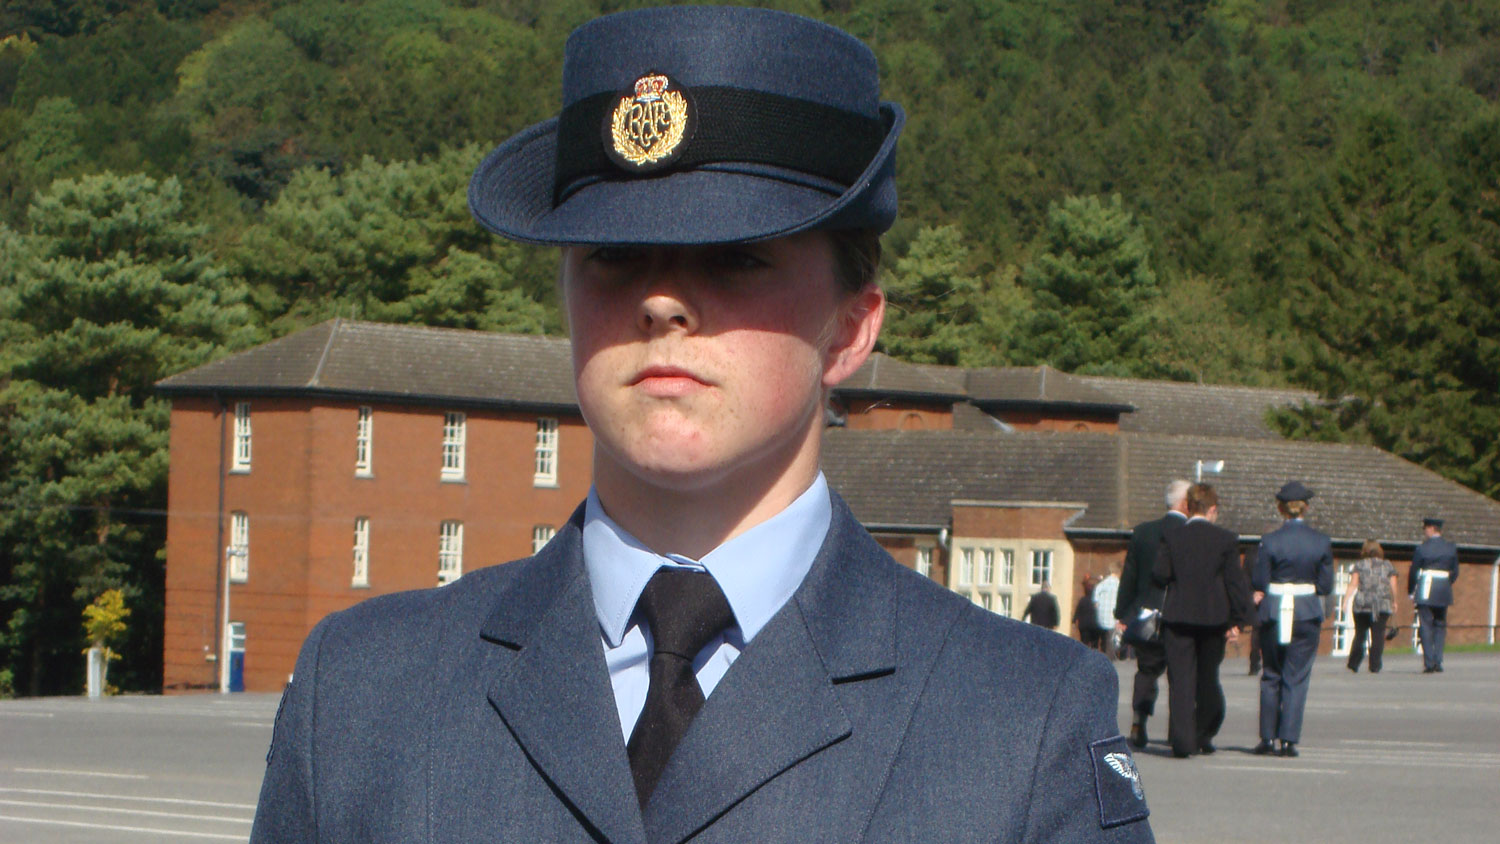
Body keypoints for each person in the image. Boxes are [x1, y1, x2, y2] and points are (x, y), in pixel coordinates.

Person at [248, 8, 1154, 842]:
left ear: (850, 327)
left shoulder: (1018, 718)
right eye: (613, 256)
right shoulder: (368, 696)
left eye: (737, 258)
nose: (663, 300)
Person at [1150, 484, 1254, 758]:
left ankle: (1182, 742)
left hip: (1179, 616)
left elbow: (1159, 574)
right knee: (1208, 678)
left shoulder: (1172, 536)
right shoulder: (1226, 539)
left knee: (1181, 681)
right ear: (1212, 509)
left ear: (1188, 507)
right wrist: (1238, 619)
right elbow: (1235, 582)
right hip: (1212, 618)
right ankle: (1203, 732)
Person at [1249, 480, 1334, 758]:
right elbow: (1326, 584)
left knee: (1271, 674)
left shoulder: (1270, 540)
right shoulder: (1320, 541)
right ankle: (1288, 740)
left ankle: (1267, 738)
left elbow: (1260, 579)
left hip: (1274, 609)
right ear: (1305, 507)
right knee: (1296, 677)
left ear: (1281, 508)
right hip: (1306, 611)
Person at [1115, 478, 1190, 748]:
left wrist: (1122, 613)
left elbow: (1130, 577)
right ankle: (1177, 731)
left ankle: (1138, 720)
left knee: (1146, 671)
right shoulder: (1191, 533)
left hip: (1146, 613)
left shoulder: (1143, 532)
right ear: (1185, 504)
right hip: (1181, 614)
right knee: (1180, 675)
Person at [1409, 516, 1459, 674]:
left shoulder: (1422, 548)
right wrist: (1446, 583)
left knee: (1425, 624)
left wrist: (1411, 590)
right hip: (1443, 588)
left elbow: (1413, 571)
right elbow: (1455, 571)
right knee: (1440, 625)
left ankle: (1429, 662)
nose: (1425, 532)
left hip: (1426, 586)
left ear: (1430, 528)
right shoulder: (1451, 548)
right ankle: (1438, 660)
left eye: (1425, 529)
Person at [1341, 539, 1398, 673]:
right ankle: (1375, 665)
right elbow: (1393, 585)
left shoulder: (1360, 565)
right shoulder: (1388, 565)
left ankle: (1353, 663)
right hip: (1382, 604)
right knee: (1378, 635)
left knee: (1360, 634)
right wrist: (1395, 601)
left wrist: (1345, 600)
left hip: (1362, 603)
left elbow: (1353, 584)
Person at [1094, 563, 1122, 657]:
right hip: (1112, 617)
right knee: (1111, 640)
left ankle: (1103, 656)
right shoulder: (1118, 584)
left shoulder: (1102, 583)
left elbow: (1095, 599)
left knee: (1103, 640)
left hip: (1101, 618)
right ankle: (1110, 658)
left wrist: (1098, 605)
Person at [1073, 575, 1104, 651]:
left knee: (1084, 644)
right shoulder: (1097, 601)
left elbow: (1077, 612)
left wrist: (1074, 621)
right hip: (1095, 625)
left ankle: (1085, 658)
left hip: (1084, 626)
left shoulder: (1082, 600)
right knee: (1095, 644)